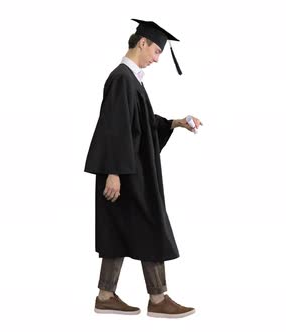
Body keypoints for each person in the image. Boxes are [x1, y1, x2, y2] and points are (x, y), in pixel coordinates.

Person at [84, 19, 202, 318]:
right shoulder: (123, 79)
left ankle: (106, 295)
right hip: (125, 173)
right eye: (156, 51)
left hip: (129, 170)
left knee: (118, 227)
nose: (157, 58)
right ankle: (159, 299)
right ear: (142, 43)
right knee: (150, 224)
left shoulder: (131, 79)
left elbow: (140, 125)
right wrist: (113, 172)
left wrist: (176, 122)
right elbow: (114, 127)